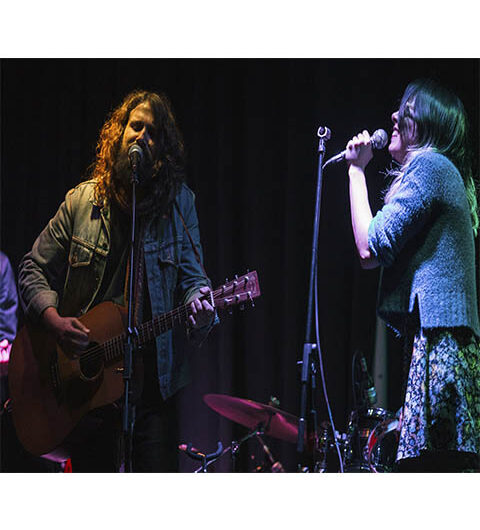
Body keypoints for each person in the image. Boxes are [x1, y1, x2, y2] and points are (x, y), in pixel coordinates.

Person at [17, 89, 216, 472]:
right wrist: (54, 322)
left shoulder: (180, 205)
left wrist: (201, 303)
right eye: (135, 126)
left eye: (153, 132)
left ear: (163, 150)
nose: (142, 136)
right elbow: (31, 268)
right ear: (119, 134)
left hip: (153, 392)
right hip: (86, 397)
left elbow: (194, 280)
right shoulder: (81, 202)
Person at [345, 79, 480, 472]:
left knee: (434, 469)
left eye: (404, 110)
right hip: (445, 346)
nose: (393, 116)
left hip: (442, 347)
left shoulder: (430, 166)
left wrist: (356, 172)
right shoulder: (443, 171)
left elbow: (370, 248)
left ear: (424, 124)